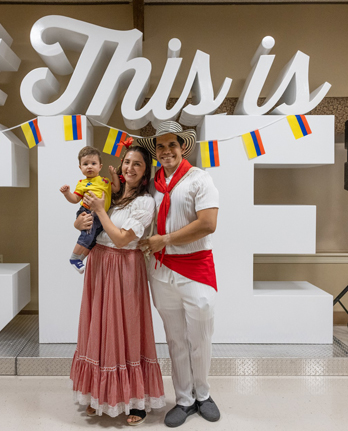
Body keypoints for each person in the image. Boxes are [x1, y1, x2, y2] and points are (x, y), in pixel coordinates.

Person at [70, 146, 165, 426]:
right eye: (127, 162)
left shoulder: (145, 202)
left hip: (125, 267)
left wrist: (100, 210)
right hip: (99, 264)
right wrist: (80, 220)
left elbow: (123, 238)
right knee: (98, 327)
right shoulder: (110, 193)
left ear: (145, 171)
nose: (130, 168)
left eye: (137, 164)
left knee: (127, 328)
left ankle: (135, 399)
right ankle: (98, 395)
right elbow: (89, 224)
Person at [137, 121, 220, 428]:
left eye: (172, 144)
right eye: (160, 146)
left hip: (196, 269)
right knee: (175, 339)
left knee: (200, 337)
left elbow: (208, 223)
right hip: (160, 272)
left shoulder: (200, 179)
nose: (166, 150)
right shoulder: (150, 184)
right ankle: (184, 399)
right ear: (155, 151)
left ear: (183, 146)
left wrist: (166, 239)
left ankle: (204, 394)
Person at [60, 146, 120, 273]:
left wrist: (114, 175)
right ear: (80, 167)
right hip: (88, 211)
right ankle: (74, 257)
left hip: (102, 215)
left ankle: (81, 258)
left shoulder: (105, 181)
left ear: (100, 166)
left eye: (93, 163)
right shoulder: (82, 183)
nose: (89, 166)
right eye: (85, 164)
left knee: (94, 240)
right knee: (87, 236)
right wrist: (67, 194)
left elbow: (116, 189)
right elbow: (75, 199)